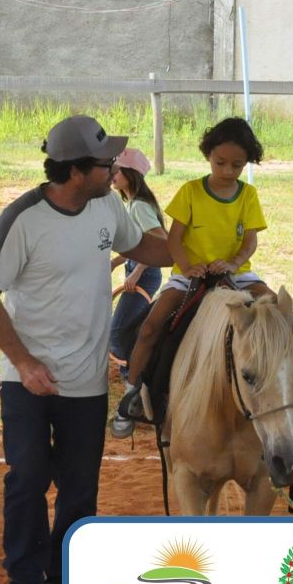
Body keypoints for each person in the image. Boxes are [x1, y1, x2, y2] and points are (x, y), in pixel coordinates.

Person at [0, 115, 171, 584]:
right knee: (27, 480)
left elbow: (145, 248)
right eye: (107, 164)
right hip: (27, 380)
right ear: (77, 171)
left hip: (86, 382)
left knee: (80, 491)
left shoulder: (106, 205)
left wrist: (199, 241)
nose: (116, 171)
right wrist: (24, 362)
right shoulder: (22, 219)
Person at [118, 117, 274, 419]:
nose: (227, 171)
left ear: (247, 163)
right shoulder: (191, 191)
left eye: (237, 165)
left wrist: (233, 263)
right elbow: (174, 239)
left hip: (237, 274)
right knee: (150, 327)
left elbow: (250, 241)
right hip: (189, 275)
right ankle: (132, 392)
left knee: (277, 308)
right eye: (220, 163)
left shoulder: (248, 195)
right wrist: (187, 267)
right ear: (208, 155)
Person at [108, 147, 167, 438]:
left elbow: (160, 241)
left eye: (117, 170)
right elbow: (137, 243)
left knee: (118, 333)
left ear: (130, 175)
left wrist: (136, 271)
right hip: (139, 272)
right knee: (127, 332)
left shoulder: (140, 206)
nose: (112, 175)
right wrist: (118, 262)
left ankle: (135, 393)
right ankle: (139, 393)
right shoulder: (133, 204)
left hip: (145, 274)